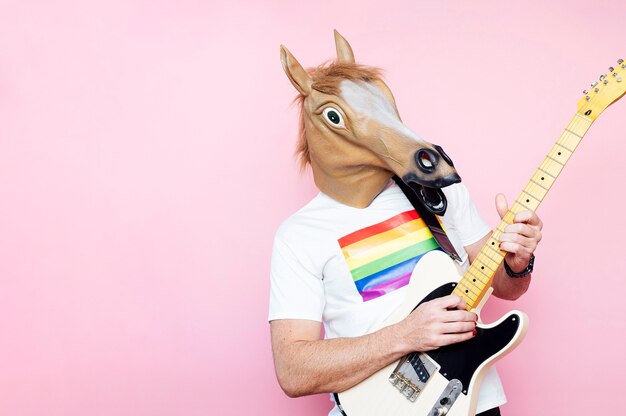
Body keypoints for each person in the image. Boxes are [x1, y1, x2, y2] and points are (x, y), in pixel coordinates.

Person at [269, 31, 542, 416]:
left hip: (472, 400)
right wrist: (404, 335)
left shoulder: (436, 192)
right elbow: (293, 371)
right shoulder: (299, 235)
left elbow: (506, 288)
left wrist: (519, 262)